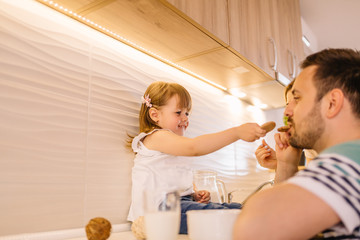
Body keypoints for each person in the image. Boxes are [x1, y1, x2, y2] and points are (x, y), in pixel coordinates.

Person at [233, 48, 360, 239]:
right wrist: (286, 165)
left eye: (297, 99)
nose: (287, 113)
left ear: (332, 103)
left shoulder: (350, 159)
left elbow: (255, 227)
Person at [127, 81, 268, 234]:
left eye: (187, 113)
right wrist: (237, 132)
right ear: (155, 115)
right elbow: (194, 147)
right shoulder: (156, 137)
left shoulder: (170, 143)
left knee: (233, 209)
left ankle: (260, 219)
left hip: (176, 206)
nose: (185, 118)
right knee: (226, 215)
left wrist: (194, 195)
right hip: (157, 213)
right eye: (178, 112)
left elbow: (172, 180)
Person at [255, 80, 318, 173]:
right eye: (287, 104)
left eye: (297, 100)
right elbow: (314, 181)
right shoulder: (311, 145)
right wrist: (282, 164)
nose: (286, 112)